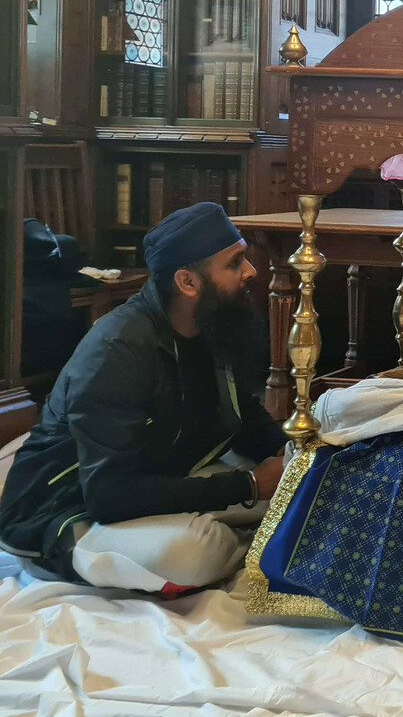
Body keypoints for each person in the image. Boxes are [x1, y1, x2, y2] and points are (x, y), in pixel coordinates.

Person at [0, 202, 287, 594]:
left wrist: (292, 459)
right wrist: (250, 486)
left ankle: (248, 531)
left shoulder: (209, 321)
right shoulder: (116, 351)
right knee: (189, 552)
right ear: (188, 282)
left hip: (163, 474)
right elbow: (109, 494)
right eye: (235, 262)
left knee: (300, 493)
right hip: (65, 511)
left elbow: (241, 415)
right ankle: (247, 540)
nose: (251, 271)